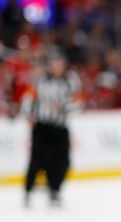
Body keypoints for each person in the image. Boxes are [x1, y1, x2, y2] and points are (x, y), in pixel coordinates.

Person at [20, 47, 84, 208]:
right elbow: (28, 98)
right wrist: (28, 114)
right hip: (41, 126)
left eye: (59, 62)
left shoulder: (72, 80)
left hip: (60, 126)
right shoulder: (40, 79)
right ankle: (28, 191)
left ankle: (54, 190)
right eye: (53, 62)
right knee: (36, 161)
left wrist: (63, 107)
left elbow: (80, 103)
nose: (56, 66)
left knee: (63, 162)